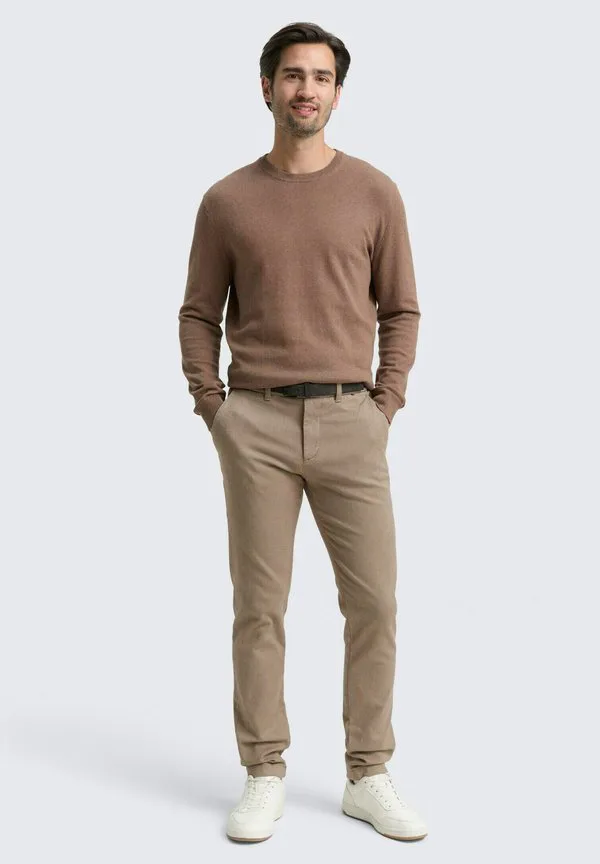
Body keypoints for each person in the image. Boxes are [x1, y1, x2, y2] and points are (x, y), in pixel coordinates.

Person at [178, 21, 428, 844]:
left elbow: (400, 308)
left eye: (321, 77)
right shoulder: (227, 201)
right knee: (260, 608)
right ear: (267, 88)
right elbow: (197, 313)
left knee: (375, 603)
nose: (306, 89)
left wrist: (385, 403)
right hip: (255, 422)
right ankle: (263, 772)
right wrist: (215, 408)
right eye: (292, 75)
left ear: (338, 93)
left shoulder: (374, 192)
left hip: (352, 418)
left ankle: (368, 773)